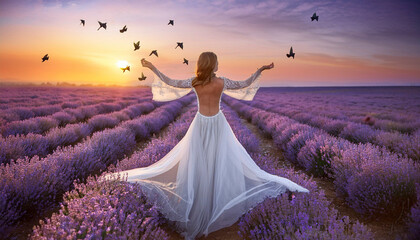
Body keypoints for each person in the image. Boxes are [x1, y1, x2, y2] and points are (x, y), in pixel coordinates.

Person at [102, 52, 309, 240]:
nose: (219, 62)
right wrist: (260, 71)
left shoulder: (195, 82)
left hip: (201, 125)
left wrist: (151, 68)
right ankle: (212, 205)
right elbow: (244, 84)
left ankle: (200, 206)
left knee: (199, 164)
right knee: (218, 163)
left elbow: (170, 81)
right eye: (217, 60)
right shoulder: (222, 82)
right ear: (213, 64)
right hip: (218, 125)